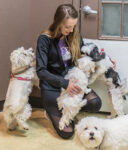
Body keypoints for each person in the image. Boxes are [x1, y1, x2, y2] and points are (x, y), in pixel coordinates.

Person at [36, 4, 102, 139]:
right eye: (67, 27)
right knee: (67, 133)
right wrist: (65, 83)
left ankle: (69, 111)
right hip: (52, 87)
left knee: (95, 103)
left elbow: (85, 53)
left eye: (73, 26)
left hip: (72, 79)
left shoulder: (74, 34)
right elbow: (41, 71)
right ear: (58, 23)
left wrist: (104, 60)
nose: (71, 30)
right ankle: (54, 111)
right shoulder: (44, 39)